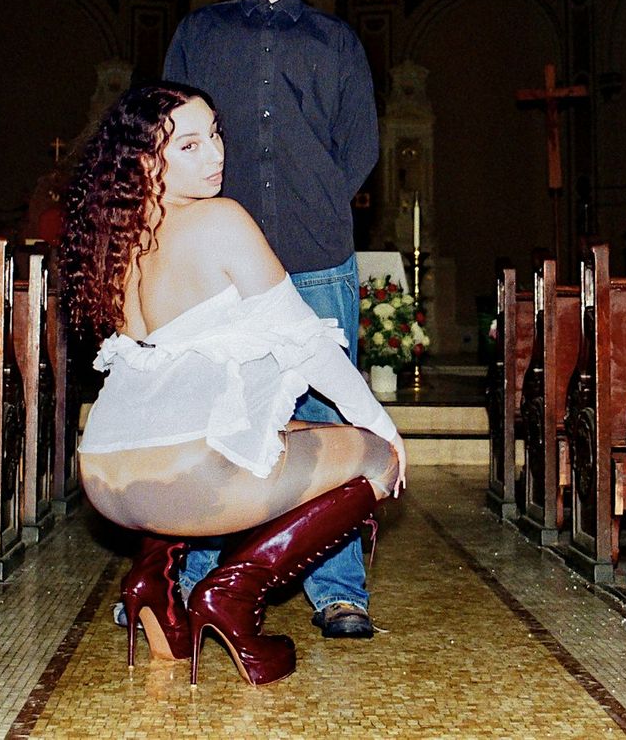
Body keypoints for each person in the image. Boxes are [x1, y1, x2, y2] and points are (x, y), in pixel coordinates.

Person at [60, 83, 405, 686]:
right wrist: (385, 430)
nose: (216, 153)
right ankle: (234, 593)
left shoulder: (115, 237)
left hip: (107, 478)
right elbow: (308, 346)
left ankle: (154, 580)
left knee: (289, 430)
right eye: (189, 145)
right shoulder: (220, 219)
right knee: (374, 459)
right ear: (146, 161)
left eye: (215, 134)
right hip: (188, 482)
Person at [163, 0, 382, 640]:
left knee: (328, 425)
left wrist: (314, 200)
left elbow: (361, 145)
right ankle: (196, 580)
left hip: (317, 259)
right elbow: (169, 131)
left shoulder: (336, 41)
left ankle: (339, 591)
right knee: (217, 418)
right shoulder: (200, 33)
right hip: (220, 265)